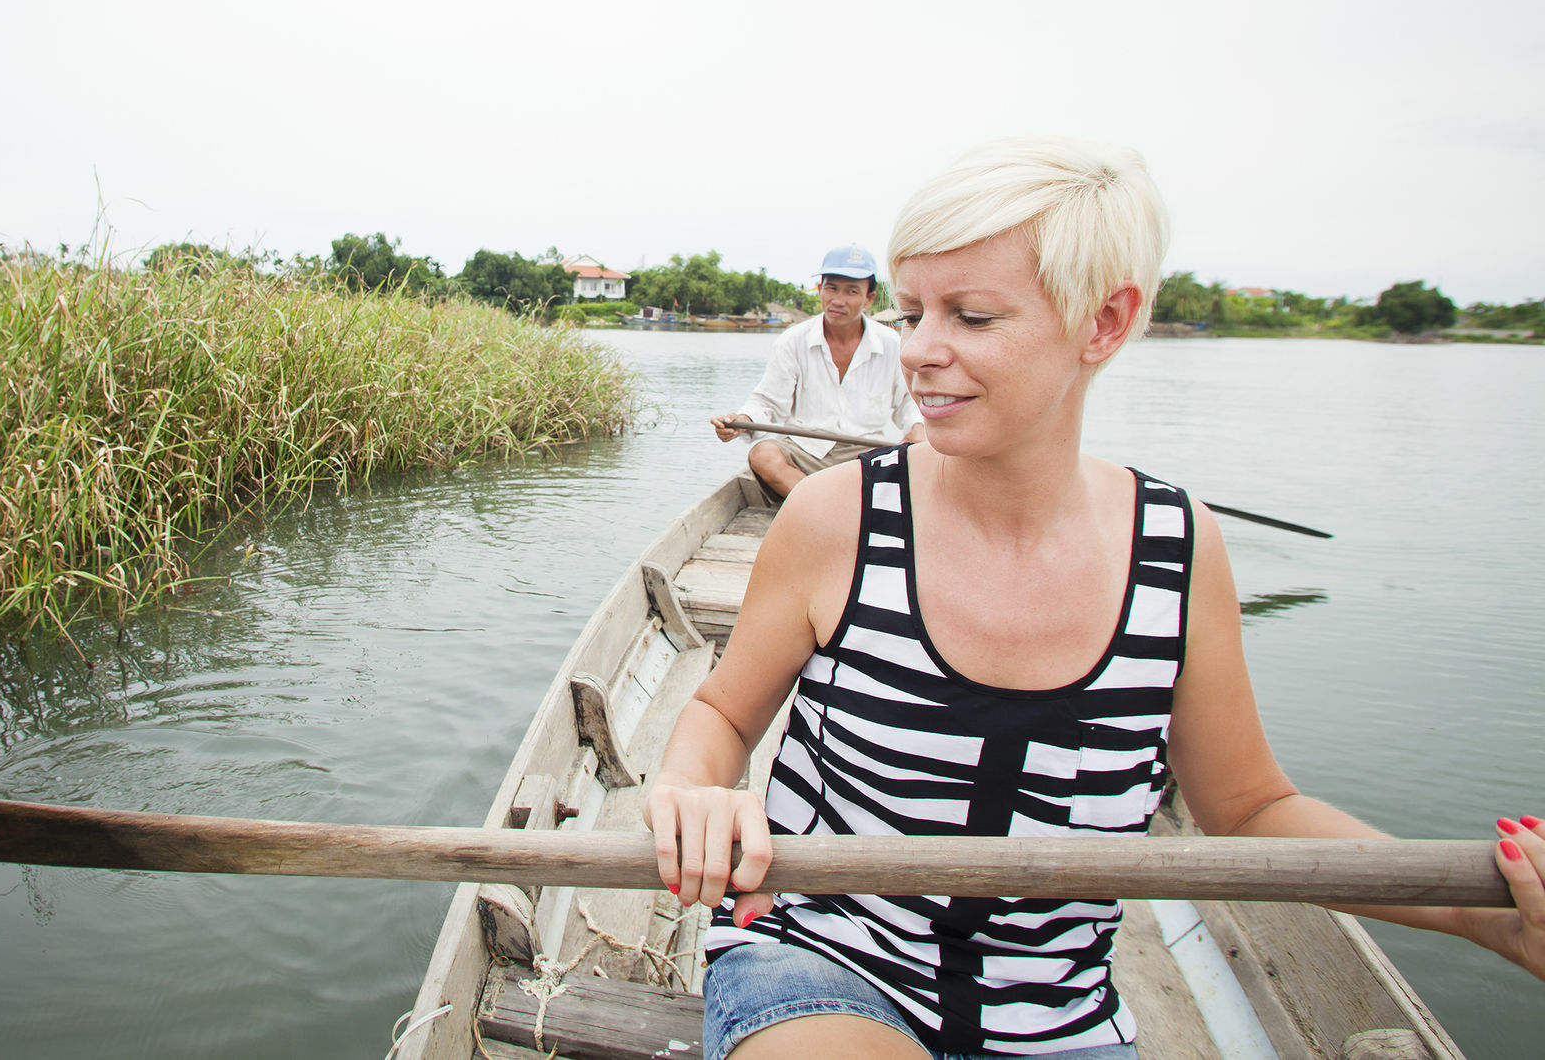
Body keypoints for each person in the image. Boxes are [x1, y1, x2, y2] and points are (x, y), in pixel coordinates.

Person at [647, 137, 1544, 1060]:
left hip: (1057, 1014)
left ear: (1105, 324)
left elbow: (1249, 811)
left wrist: (1489, 916)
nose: (919, 351)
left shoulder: (1178, 547)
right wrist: (690, 789)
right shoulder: (838, 516)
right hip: (826, 962)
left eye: (973, 316)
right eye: (913, 313)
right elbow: (720, 709)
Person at [710, 244, 925, 500]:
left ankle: (818, 502)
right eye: (831, 288)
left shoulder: (891, 342)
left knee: (919, 457)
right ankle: (835, 508)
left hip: (866, 451)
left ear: (868, 298)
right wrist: (740, 421)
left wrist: (917, 427)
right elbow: (767, 401)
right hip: (806, 449)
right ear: (820, 290)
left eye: (851, 291)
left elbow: (908, 402)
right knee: (763, 455)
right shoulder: (793, 340)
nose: (838, 300)